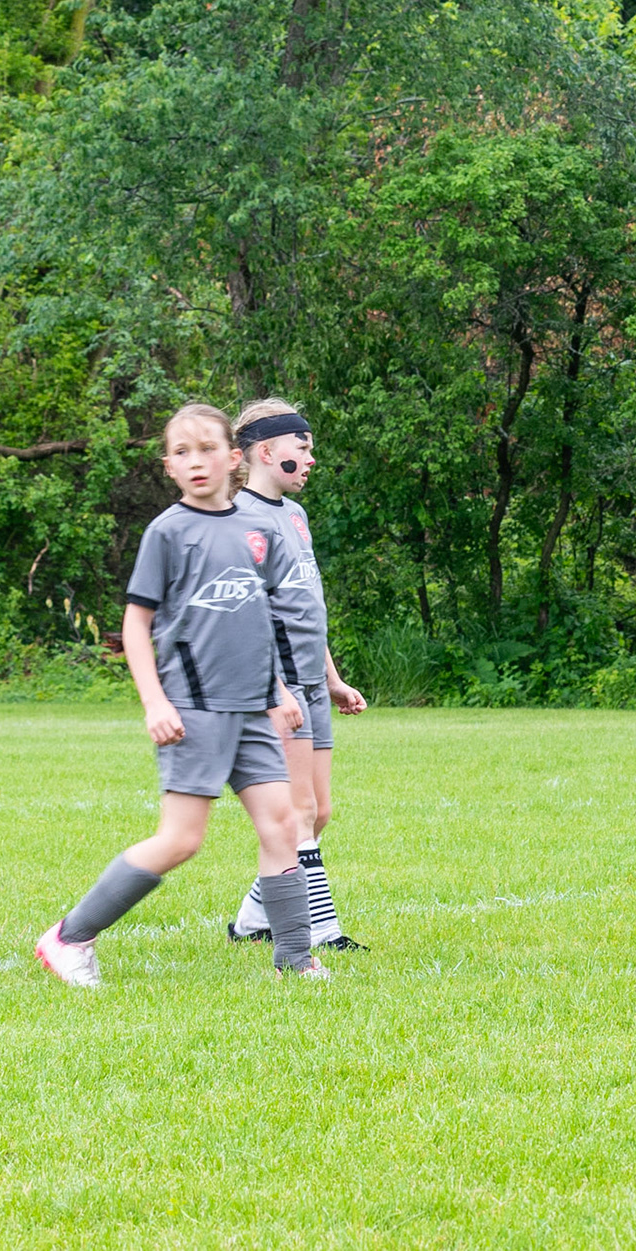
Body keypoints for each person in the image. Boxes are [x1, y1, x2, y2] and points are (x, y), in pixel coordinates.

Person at [35, 404, 322, 986]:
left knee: (283, 825)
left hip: (250, 711)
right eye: (182, 453)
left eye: (208, 449)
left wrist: (274, 691)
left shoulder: (259, 530)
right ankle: (68, 937)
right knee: (181, 840)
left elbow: (254, 621)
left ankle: (295, 960)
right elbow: (137, 625)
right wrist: (155, 702)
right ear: (168, 465)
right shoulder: (168, 533)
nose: (197, 462)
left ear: (233, 457)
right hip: (195, 710)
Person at [225, 399, 370, 951]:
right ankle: (322, 930)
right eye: (302, 448)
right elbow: (246, 618)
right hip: (278, 687)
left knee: (319, 812)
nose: (311, 459)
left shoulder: (294, 514)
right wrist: (275, 688)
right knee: (298, 813)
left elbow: (307, 606)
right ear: (266, 452)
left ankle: (251, 919)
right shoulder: (240, 521)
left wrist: (331, 679)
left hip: (311, 683)